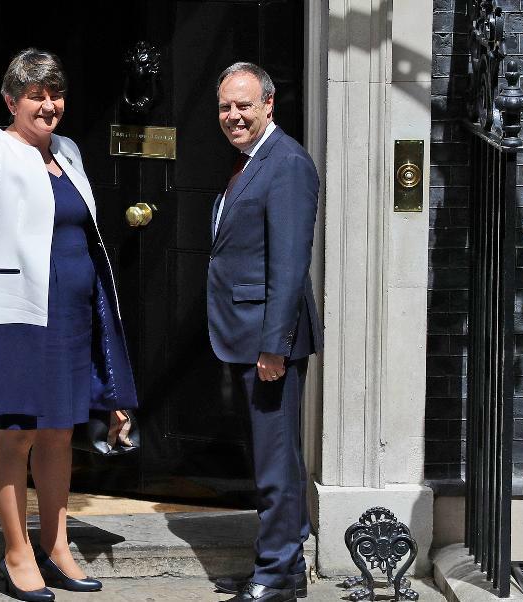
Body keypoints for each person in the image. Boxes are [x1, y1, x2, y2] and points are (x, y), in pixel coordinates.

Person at [0, 49, 137, 602]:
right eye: (36, 95)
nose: (49, 105)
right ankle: (16, 551)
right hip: (22, 310)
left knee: (60, 429)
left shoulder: (70, 151)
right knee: (19, 431)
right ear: (11, 101)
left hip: (74, 312)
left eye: (55, 95)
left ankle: (57, 546)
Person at [206, 62, 321, 602]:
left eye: (244, 106)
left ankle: (276, 575)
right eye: (226, 106)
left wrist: (275, 346)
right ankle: (284, 567)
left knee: (275, 464)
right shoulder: (251, 162)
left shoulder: (288, 164)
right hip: (248, 334)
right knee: (273, 459)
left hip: (268, 341)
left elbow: (290, 265)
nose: (233, 116)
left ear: (269, 104)